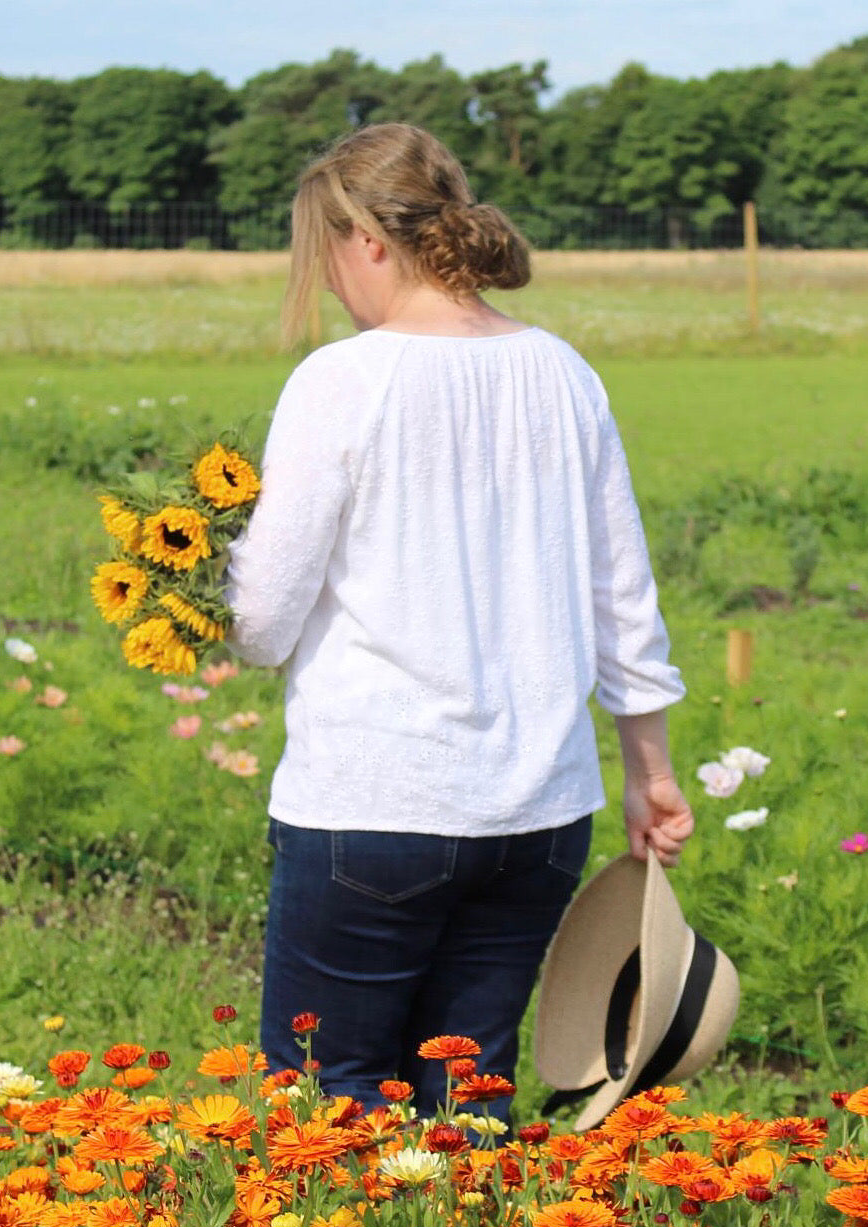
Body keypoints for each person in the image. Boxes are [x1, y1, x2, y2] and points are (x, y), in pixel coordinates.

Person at [224, 123, 693, 1125]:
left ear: (370, 242)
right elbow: (625, 597)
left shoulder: (342, 381)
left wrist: (193, 586)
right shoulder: (563, 372)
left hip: (374, 804)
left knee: (328, 1103)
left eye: (322, 255)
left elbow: (262, 623)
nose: (331, 285)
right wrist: (651, 775)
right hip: (538, 816)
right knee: (464, 1098)